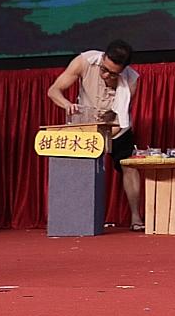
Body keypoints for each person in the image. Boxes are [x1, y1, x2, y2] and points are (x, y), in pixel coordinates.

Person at [47, 40, 142, 229]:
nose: (106, 74)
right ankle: (76, 217)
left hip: (115, 126)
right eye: (104, 69)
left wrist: (103, 134)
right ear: (103, 58)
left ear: (123, 70)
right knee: (79, 170)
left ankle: (135, 217)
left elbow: (120, 115)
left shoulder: (131, 79)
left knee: (128, 166)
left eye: (113, 73)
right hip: (86, 125)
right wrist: (68, 105)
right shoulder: (85, 61)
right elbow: (53, 91)